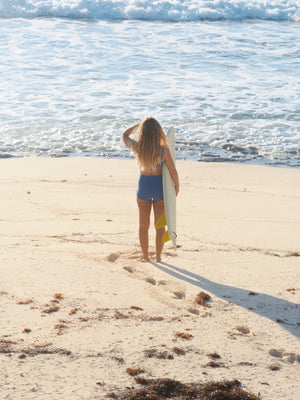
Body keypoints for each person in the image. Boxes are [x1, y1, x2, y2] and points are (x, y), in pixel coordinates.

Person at [122, 117, 179, 262]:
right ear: (157, 132)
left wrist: (137, 125)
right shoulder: (163, 150)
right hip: (160, 190)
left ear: (143, 132)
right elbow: (173, 172)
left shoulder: (137, 147)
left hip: (143, 188)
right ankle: (158, 257)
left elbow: (124, 135)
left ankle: (146, 256)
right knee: (160, 226)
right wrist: (176, 188)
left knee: (143, 225)